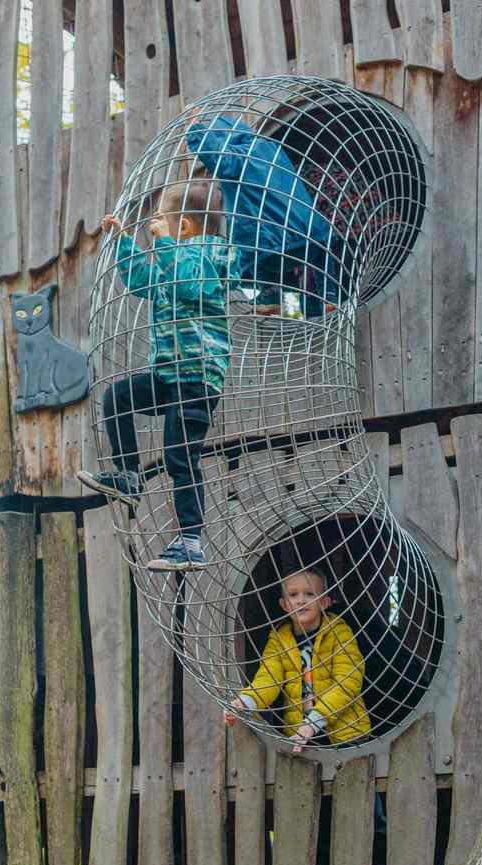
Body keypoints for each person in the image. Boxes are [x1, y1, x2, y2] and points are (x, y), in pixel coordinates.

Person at [78, 180, 241, 571]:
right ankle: (129, 476)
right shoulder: (172, 258)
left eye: (161, 221)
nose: (155, 227)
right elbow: (141, 283)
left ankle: (190, 541)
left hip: (197, 379)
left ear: (183, 226)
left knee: (180, 456)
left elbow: (189, 284)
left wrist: (164, 244)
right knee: (117, 397)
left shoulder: (208, 254)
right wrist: (121, 241)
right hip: (169, 375)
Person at [185, 113, 342, 318]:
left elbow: (217, 156)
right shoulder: (270, 148)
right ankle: (325, 298)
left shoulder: (238, 157)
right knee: (315, 253)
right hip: (309, 232)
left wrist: (195, 131)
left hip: (270, 241)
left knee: (258, 253)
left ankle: (271, 297)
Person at [225, 566, 370, 750]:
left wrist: (313, 722)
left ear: (324, 602)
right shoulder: (279, 639)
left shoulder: (339, 632)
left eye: (310, 594)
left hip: (346, 734)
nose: (301, 600)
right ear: (284, 604)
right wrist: (245, 702)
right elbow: (268, 679)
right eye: (293, 595)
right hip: (299, 735)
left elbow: (348, 681)